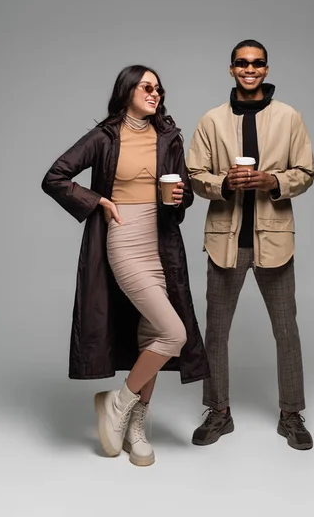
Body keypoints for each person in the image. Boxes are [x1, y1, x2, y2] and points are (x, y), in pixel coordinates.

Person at [42, 65, 209, 466]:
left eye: (159, 88)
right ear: (128, 90)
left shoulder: (168, 135)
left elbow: (182, 195)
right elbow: (56, 176)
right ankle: (118, 404)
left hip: (162, 242)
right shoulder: (105, 136)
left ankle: (136, 425)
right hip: (125, 239)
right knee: (174, 333)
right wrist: (98, 201)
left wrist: (180, 196)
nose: (155, 93)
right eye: (147, 87)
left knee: (155, 332)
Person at [186, 39, 314, 450]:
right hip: (225, 241)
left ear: (265, 69)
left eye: (257, 63)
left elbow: (307, 170)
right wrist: (223, 182)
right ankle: (218, 412)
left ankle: (291, 413)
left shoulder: (289, 117)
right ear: (231, 69)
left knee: (286, 330)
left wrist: (274, 181)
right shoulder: (211, 120)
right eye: (242, 63)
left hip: (274, 241)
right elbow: (194, 174)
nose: (250, 69)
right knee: (215, 332)